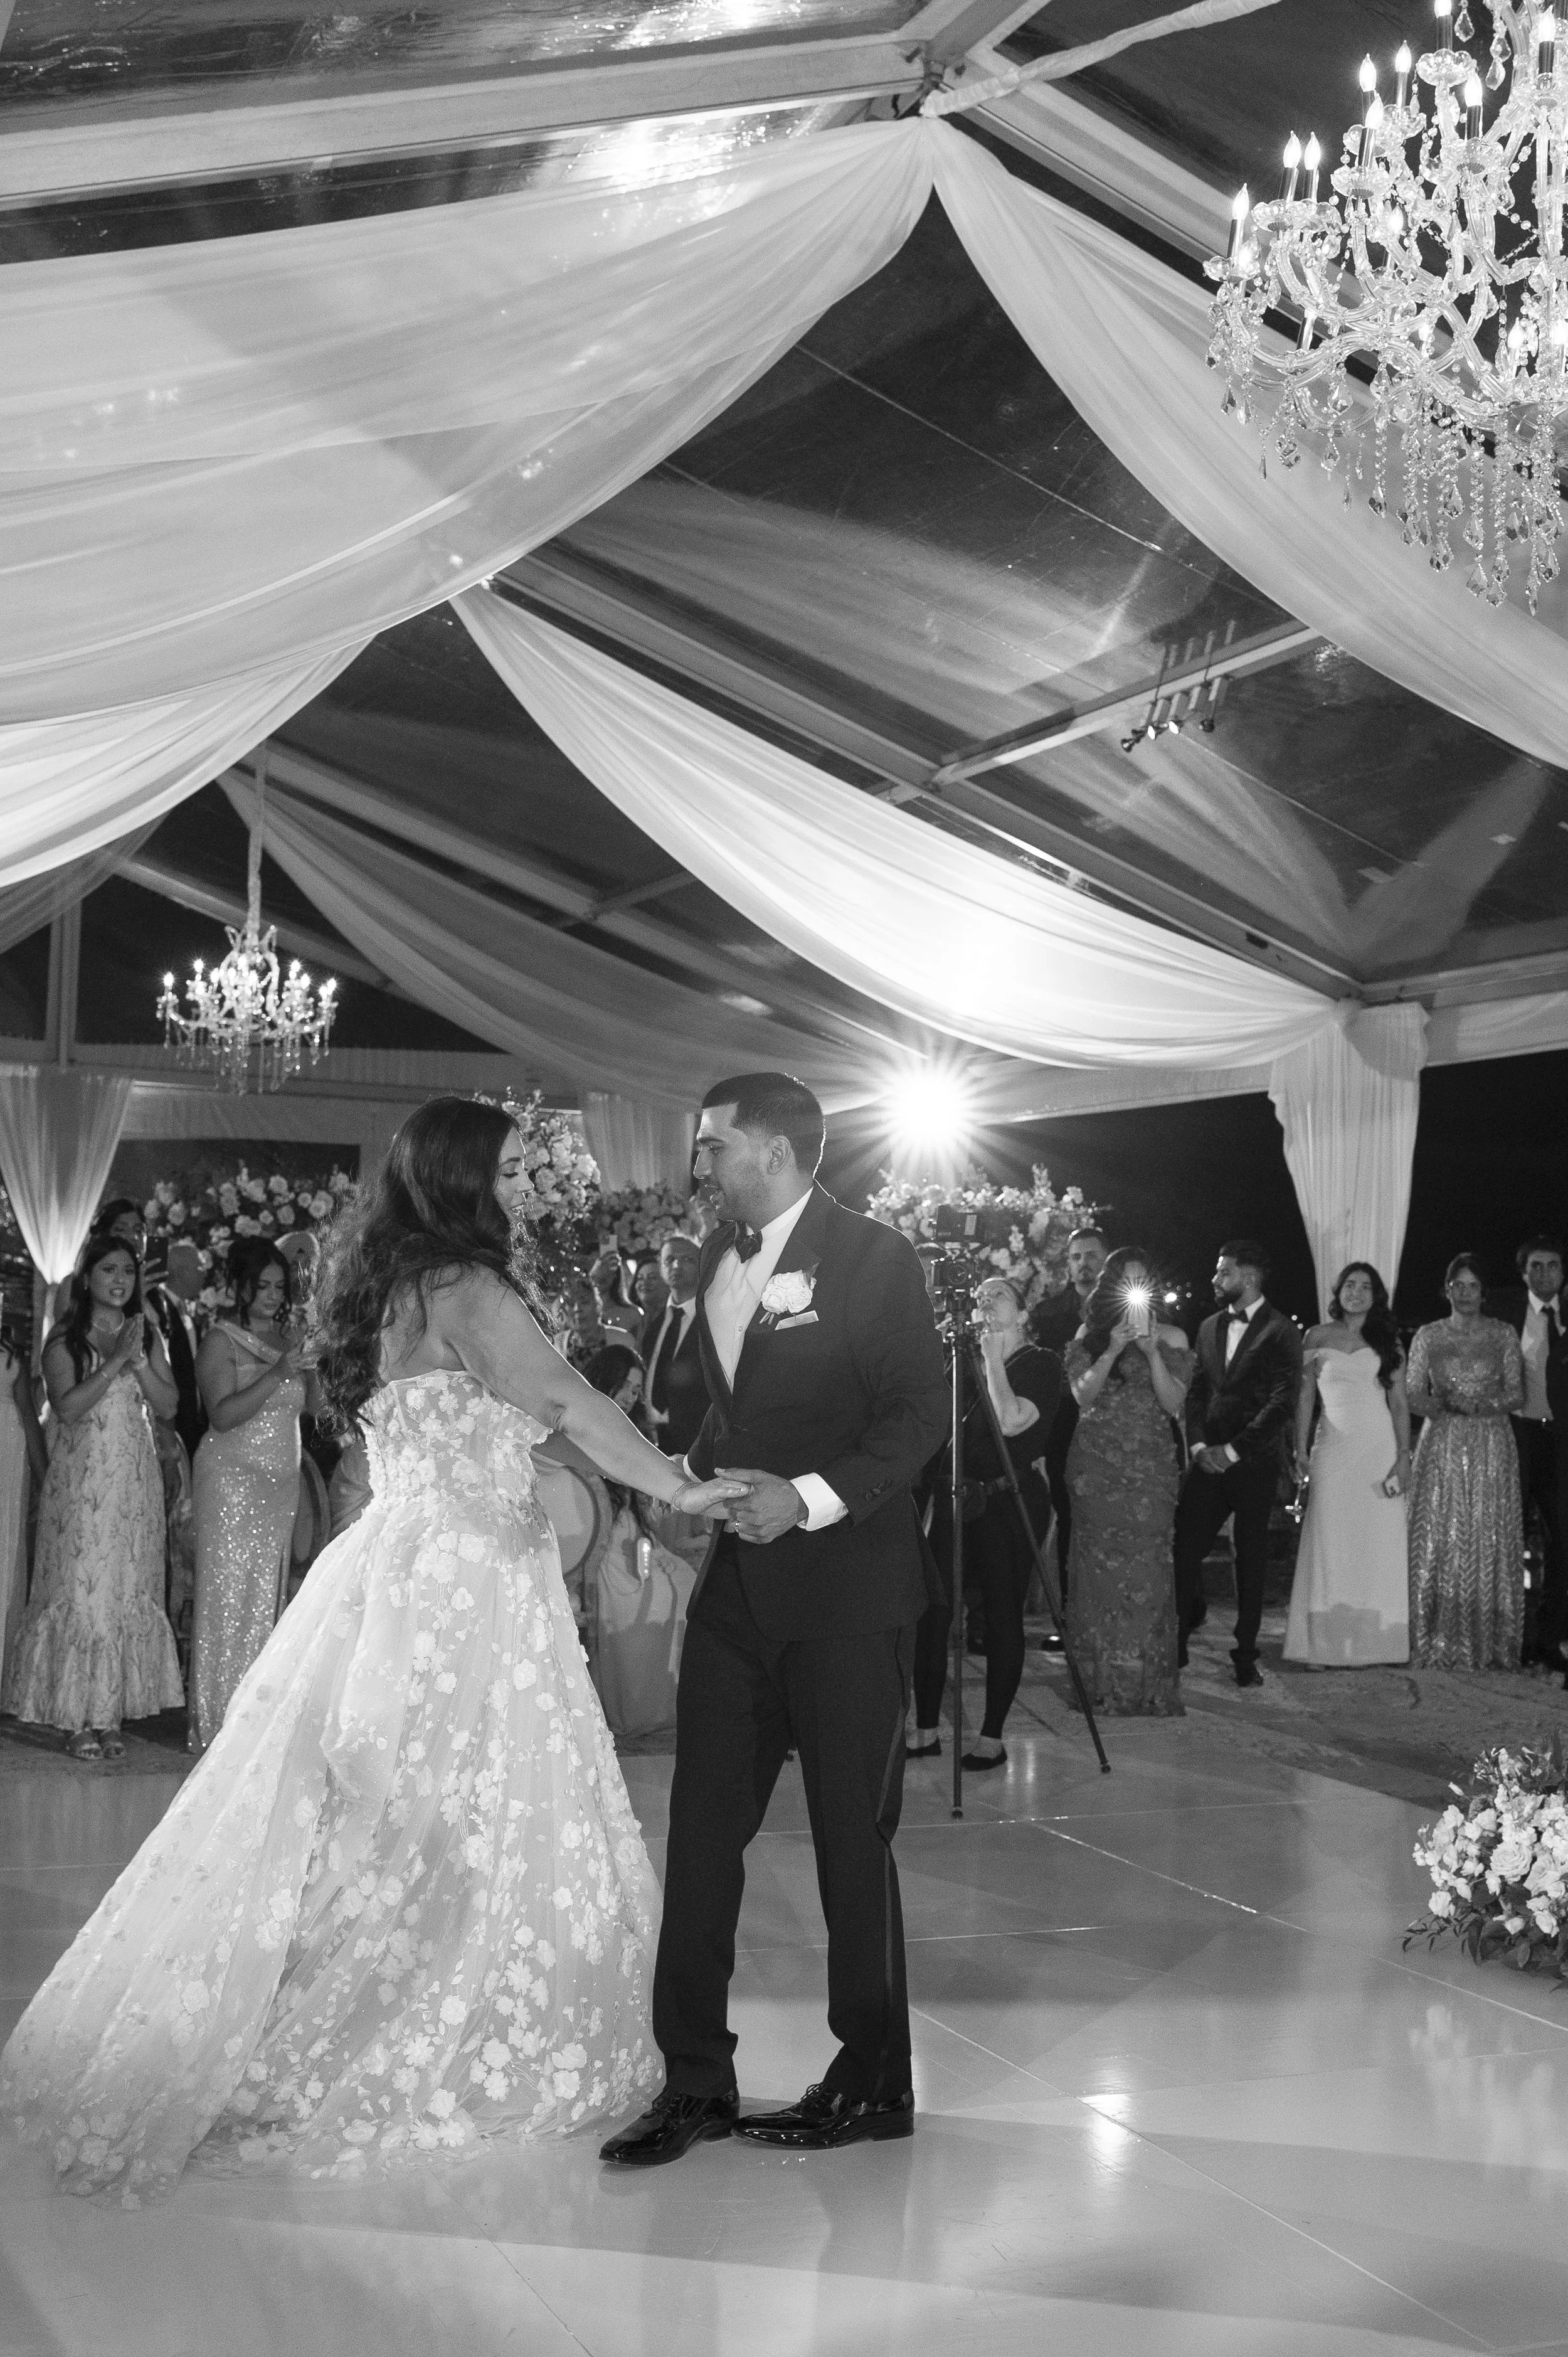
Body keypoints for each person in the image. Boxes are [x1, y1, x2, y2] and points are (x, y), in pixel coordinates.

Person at [0, 1095, 746, 2203]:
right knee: (466, 1806)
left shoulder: (384, 1285)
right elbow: (569, 1401)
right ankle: (440, 2011)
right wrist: (678, 1481)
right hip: (469, 1583)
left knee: (380, 1810)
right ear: (454, 1182)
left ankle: (360, 1993)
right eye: (498, 1174)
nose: (512, 1193)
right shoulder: (466, 1286)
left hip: (392, 1562)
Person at [601, 1071, 947, 2169]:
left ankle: (874, 2075)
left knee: (853, 1842)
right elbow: (738, 1405)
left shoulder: (876, 1258)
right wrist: (682, 1473)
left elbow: (916, 1418)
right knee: (702, 1836)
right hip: (739, 1601)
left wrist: (802, 1498)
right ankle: (695, 2078)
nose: (698, 1166)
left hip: (849, 1597)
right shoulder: (716, 1260)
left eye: (712, 1147)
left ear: (774, 1150)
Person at [1, 1233, 184, 1760]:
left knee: (125, 1586)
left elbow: (169, 1405)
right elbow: (67, 1408)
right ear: (88, 1278)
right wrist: (113, 1362)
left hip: (133, 1483)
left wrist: (140, 1359)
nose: (120, 1280)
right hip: (82, 1485)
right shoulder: (66, 1337)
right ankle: (76, 1717)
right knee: (83, 1590)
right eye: (109, 1270)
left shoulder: (144, 1336)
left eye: (128, 1270)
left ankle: (108, 1716)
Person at [908, 1276, 1062, 1765]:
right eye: (979, 1298)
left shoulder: (1041, 1363)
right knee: (934, 1612)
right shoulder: (962, 1361)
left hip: (1009, 1502)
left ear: (1023, 1313)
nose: (984, 1303)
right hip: (957, 1497)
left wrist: (992, 1356)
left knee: (1001, 1614)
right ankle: (926, 1727)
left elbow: (1012, 1419)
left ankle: (992, 1736)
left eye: (998, 1296)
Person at [188, 1239, 316, 1753]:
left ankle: (257, 1721)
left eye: (278, 1287)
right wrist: (280, 1371)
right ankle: (217, 1722)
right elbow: (222, 1414)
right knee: (227, 1596)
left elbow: (312, 1411)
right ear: (239, 1286)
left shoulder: (288, 1338)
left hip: (279, 1483)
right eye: (261, 1285)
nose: (270, 1295)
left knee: (269, 1597)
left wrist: (314, 1362)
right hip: (231, 1481)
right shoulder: (221, 1341)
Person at [1064, 1248, 1192, 1714]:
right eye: (1125, 1280)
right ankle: (1100, 1687)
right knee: (1096, 1579)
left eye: (1142, 1280)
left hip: (1150, 1472)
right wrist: (1113, 1349)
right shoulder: (1090, 1335)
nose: (1135, 1289)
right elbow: (1082, 1396)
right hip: (1096, 1471)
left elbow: (1173, 1400)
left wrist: (1152, 1351)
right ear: (1111, 1286)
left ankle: (1146, 1687)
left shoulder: (1173, 1334)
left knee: (1151, 1573)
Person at [1173, 1239, 1302, 1688]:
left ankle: (1245, 1655)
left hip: (1252, 1464)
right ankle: (1175, 1643)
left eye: (1223, 1271)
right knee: (1184, 1550)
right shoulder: (1208, 1326)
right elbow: (1196, 1393)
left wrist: (1233, 1451)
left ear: (1248, 1277)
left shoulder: (1282, 1331)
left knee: (1250, 1560)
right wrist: (1197, 1448)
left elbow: (1282, 1402)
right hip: (1206, 1461)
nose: (1215, 1279)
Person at [1283, 1262, 1411, 1667]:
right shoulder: (1316, 1336)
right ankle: (1322, 1645)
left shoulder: (1389, 1340)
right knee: (1329, 1541)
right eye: (1350, 1285)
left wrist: (1404, 1458)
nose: (1356, 1292)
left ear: (1377, 1295)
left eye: (1366, 1286)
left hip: (1379, 1450)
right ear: (1337, 1293)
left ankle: (1380, 1644)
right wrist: (1299, 1449)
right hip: (1333, 1450)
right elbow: (1305, 1398)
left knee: (1378, 1543)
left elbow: (1400, 1403)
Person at [1407, 1252, 1526, 1671]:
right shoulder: (1428, 1334)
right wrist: (1440, 1404)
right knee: (1440, 1533)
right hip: (1442, 1440)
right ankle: (1431, 1636)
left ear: (1484, 1292)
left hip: (1491, 1442)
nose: (1465, 1293)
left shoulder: (1503, 1334)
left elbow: (1517, 1394)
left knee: (1487, 1534)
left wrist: (1481, 1406)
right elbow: (1411, 1393)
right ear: (1447, 1289)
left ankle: (1489, 1640)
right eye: (1458, 1285)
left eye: (1473, 1285)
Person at [578, 1343, 699, 1741]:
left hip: (634, 1530)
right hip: (598, 1534)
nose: (633, 1398)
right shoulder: (583, 1422)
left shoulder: (636, 1427)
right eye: (627, 1388)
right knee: (648, 1595)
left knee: (683, 1581)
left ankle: (667, 1699)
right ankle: (631, 1704)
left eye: (637, 1390)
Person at [1489, 1235, 1568, 1671]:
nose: (1544, 1273)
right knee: (1511, 1540)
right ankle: (1511, 1637)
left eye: (1552, 1265)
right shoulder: (1504, 1312)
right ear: (1523, 1273)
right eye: (1535, 1266)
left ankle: (1551, 1638)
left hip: (1561, 1440)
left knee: (1562, 1543)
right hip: (1517, 1436)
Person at [1029, 1225, 1109, 1641]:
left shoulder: (1124, 1310)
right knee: (1071, 1522)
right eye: (1076, 1257)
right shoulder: (1047, 1314)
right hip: (1064, 1434)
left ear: (1107, 1259)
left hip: (1117, 1435)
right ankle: (1070, 1619)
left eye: (1092, 1255)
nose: (1083, 1264)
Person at [0, 1324, 43, 1692]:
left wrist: (47, 1477)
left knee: (6, 1545)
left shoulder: (11, 1352)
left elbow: (29, 1413)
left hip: (7, 1450)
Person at [641, 1232, 709, 1461]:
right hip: (653, 1440)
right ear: (660, 1267)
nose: (677, 1265)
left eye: (688, 1259)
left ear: (702, 1265)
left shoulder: (712, 1320)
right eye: (669, 1260)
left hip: (697, 1441)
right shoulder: (655, 1323)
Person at [589, 1252, 642, 1342]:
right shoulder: (586, 1312)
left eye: (603, 1279)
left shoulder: (633, 1314)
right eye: (594, 1277)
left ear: (615, 1277)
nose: (596, 1283)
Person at [632, 1258, 670, 1323]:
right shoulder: (630, 1318)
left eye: (652, 1277)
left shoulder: (673, 1318)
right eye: (640, 1278)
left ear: (667, 1283)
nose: (645, 1283)